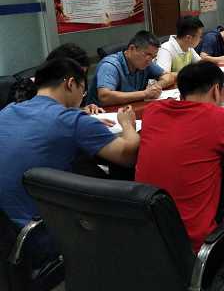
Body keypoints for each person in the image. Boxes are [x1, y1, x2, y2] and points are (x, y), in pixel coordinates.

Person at [0, 58, 140, 266]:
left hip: (8, 232)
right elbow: (128, 156)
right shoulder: (70, 120)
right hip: (38, 236)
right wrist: (127, 124)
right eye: (83, 91)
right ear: (71, 83)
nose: (82, 98)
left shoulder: (8, 111)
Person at [136, 61, 224, 253]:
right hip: (194, 247)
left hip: (145, 237)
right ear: (216, 90)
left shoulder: (153, 111)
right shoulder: (219, 118)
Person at [10, 43, 104, 115]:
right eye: (77, 75)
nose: (79, 81)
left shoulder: (77, 86)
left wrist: (82, 109)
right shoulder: (24, 89)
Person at [87, 31, 175, 106]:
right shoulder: (110, 65)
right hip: (103, 114)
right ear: (132, 48)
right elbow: (105, 96)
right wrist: (145, 93)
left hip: (131, 108)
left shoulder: (146, 63)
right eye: (147, 54)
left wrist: (156, 87)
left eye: (153, 56)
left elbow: (168, 76)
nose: (149, 60)